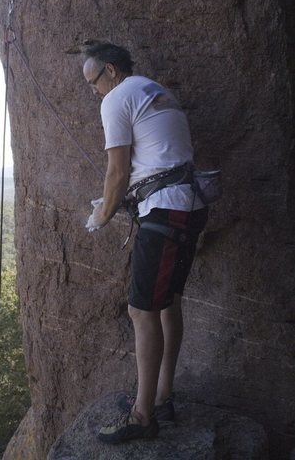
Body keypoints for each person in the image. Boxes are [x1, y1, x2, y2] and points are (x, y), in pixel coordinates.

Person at [82, 40, 208, 444]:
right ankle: (163, 396)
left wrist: (103, 214)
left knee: (141, 310)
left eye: (94, 80)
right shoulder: (153, 89)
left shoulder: (116, 98)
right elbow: (159, 156)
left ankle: (142, 415)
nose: (94, 90)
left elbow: (117, 171)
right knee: (168, 302)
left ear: (112, 72)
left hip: (166, 210)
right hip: (189, 203)